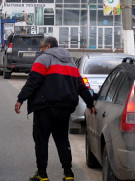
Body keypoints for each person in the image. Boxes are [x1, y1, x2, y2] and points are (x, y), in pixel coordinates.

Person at [14, 36, 94, 181]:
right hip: (64, 108)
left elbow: (33, 81)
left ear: (48, 47)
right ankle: (68, 174)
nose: (41, 50)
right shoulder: (70, 62)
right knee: (63, 140)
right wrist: (90, 103)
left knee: (41, 141)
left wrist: (21, 99)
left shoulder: (43, 59)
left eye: (42, 47)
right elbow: (80, 85)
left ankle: (42, 174)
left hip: (45, 107)